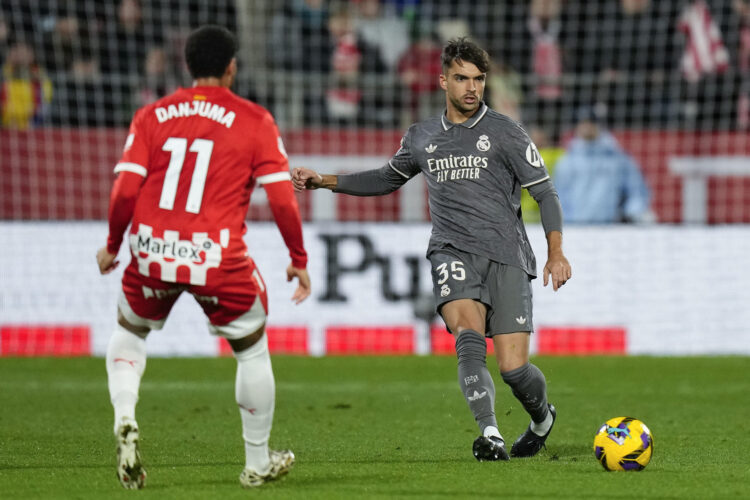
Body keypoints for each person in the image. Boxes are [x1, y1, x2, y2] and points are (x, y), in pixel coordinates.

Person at [293, 37, 571, 461]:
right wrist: (325, 181)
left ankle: (541, 419)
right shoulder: (422, 136)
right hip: (451, 251)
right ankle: (490, 433)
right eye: (462, 78)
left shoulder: (505, 132)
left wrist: (556, 253)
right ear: (443, 81)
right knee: (467, 334)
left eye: (478, 79)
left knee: (514, 368)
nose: (472, 88)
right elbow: (386, 177)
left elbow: (545, 194)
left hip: (507, 255)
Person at [96, 25, 311, 489]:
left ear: (187, 66)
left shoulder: (152, 115)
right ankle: (256, 462)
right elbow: (282, 200)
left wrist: (114, 246)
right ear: (232, 67)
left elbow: (124, 192)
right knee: (251, 351)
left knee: (129, 333)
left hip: (152, 250)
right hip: (215, 257)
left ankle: (126, 415)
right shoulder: (255, 120)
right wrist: (298, 256)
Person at [554, 107, 653, 223]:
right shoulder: (567, 161)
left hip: (610, 228)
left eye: (591, 122)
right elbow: (559, 197)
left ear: (598, 125)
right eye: (582, 123)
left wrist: (631, 214)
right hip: (576, 228)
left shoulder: (618, 159)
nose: (587, 126)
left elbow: (637, 191)